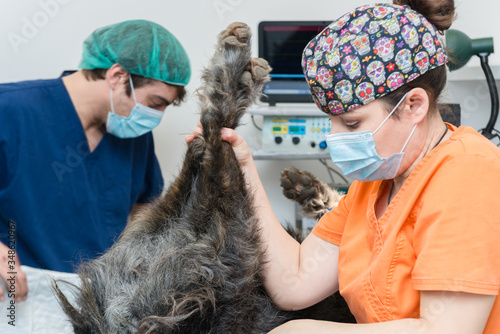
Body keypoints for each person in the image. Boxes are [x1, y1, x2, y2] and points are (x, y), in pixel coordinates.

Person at [187, 0, 500, 332]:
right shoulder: (375, 184)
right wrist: (243, 170)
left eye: (351, 124)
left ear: (413, 106)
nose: (333, 138)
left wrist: (303, 331)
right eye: (332, 121)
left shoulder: (469, 172)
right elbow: (295, 281)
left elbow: (448, 329)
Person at [0, 20, 191, 303]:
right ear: (117, 76)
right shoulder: (10, 112)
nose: (155, 117)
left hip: (95, 301)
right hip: (16, 297)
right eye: (154, 103)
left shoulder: (133, 133)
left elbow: (146, 209)